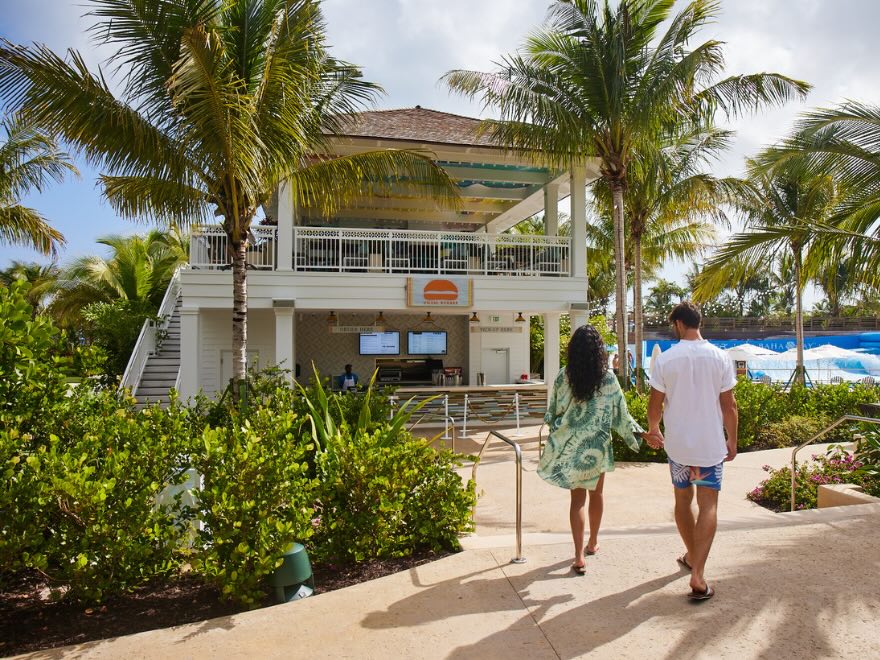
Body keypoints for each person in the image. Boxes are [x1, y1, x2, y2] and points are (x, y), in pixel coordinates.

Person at [645, 301, 739, 602]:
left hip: (679, 447)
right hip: (710, 446)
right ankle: (698, 572)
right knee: (708, 505)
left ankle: (691, 556)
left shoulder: (666, 359)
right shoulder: (721, 356)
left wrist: (654, 429)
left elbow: (654, 404)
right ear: (699, 323)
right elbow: (730, 406)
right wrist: (732, 440)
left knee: (683, 501)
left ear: (678, 325)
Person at [538, 325, 643, 575]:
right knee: (596, 495)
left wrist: (562, 434)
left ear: (573, 350)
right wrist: (641, 436)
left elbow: (552, 414)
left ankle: (577, 557)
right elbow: (622, 415)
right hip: (597, 446)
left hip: (572, 446)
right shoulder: (607, 379)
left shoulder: (564, 377)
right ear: (599, 351)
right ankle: (593, 542)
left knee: (577, 501)